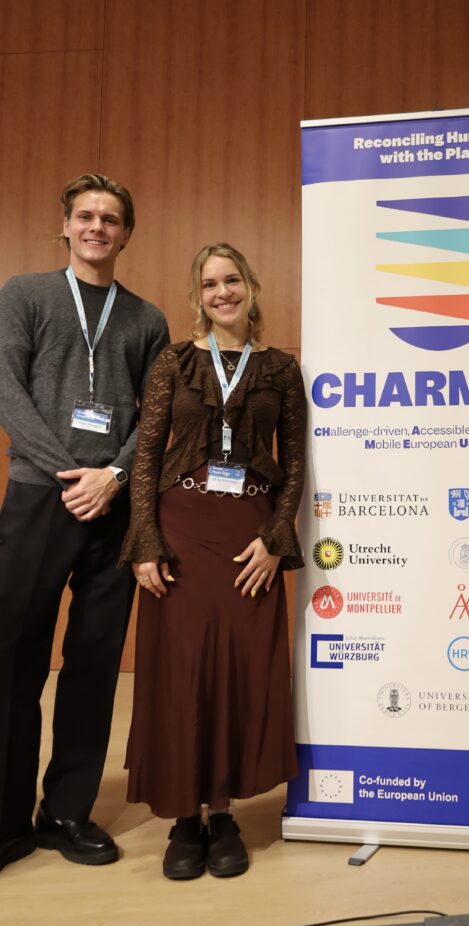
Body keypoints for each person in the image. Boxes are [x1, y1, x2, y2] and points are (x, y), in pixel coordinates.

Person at [0, 173, 169, 872]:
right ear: (65, 226)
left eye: (110, 218)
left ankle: (66, 812)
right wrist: (71, 472)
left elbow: (156, 416)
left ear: (126, 234)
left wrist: (114, 477)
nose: (97, 226)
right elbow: (6, 388)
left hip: (113, 508)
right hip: (41, 497)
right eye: (85, 215)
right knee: (13, 661)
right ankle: (6, 821)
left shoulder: (146, 319)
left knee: (94, 666)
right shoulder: (25, 295)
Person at [120, 242, 306, 880]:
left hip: (248, 536)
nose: (222, 292)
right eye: (209, 284)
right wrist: (145, 541)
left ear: (250, 287)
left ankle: (223, 813)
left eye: (231, 280)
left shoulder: (281, 369)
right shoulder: (173, 362)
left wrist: (275, 537)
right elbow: (147, 456)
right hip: (181, 529)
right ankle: (183, 817)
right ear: (197, 296)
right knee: (182, 671)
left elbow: (296, 464)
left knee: (238, 671)